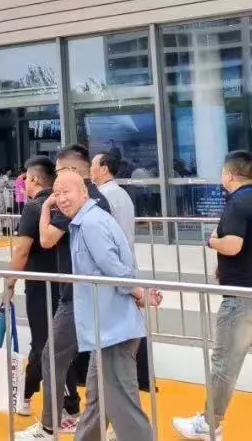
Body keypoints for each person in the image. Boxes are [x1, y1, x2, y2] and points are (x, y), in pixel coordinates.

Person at [174, 151, 252, 441]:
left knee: (223, 365)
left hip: (242, 298)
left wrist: (211, 242)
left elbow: (233, 245)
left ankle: (210, 424)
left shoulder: (237, 204)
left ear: (230, 175)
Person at [56, 172, 160, 441]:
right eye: (57, 194)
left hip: (113, 328)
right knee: (98, 400)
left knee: (123, 405)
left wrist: (139, 292)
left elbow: (112, 267)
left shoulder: (91, 223)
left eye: (66, 192)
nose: (61, 199)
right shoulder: (87, 221)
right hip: (105, 327)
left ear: (84, 192)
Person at [17, 145, 112, 440]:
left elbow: (46, 240)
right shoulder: (100, 200)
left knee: (53, 357)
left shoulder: (74, 202)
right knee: (98, 365)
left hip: (78, 294)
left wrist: (46, 207)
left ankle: (50, 426)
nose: (56, 184)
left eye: (59, 173)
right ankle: (97, 424)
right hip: (90, 292)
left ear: (71, 172)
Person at [91, 151, 153, 392]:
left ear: (104, 168)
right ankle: (141, 377)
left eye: (94, 165)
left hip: (116, 269)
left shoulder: (104, 197)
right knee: (132, 323)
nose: (90, 169)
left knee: (120, 326)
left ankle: (128, 379)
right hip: (126, 265)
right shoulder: (122, 194)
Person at [7, 156, 59, 416]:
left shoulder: (33, 208)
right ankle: (30, 394)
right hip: (63, 283)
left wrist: (9, 283)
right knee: (53, 342)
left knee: (43, 343)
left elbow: (22, 250)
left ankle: (30, 395)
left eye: (26, 178)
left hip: (40, 284)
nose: (25, 183)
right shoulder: (62, 204)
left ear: (35, 178)